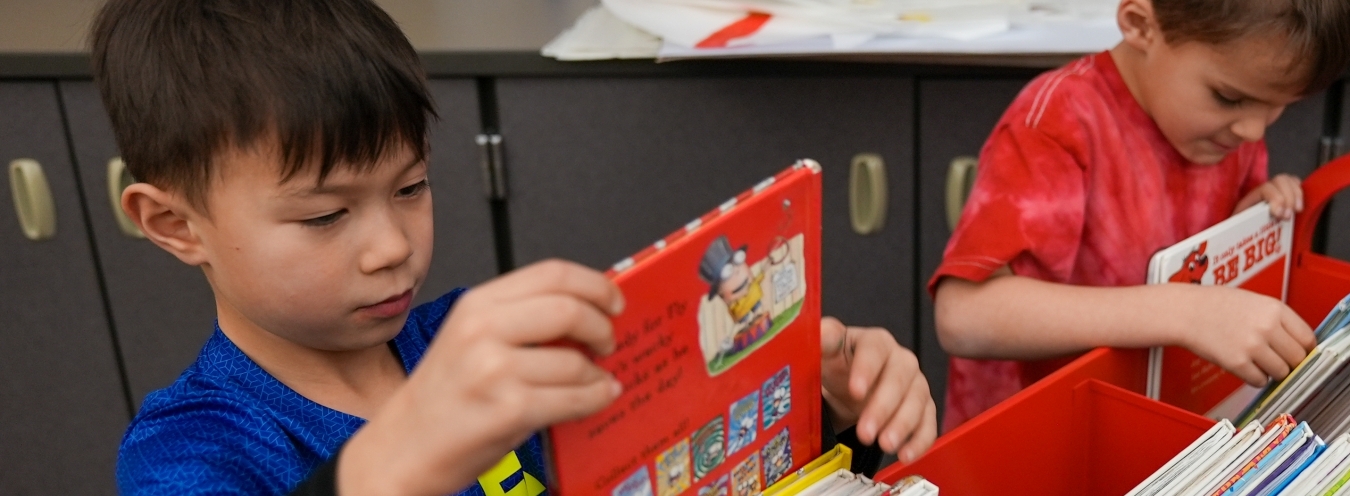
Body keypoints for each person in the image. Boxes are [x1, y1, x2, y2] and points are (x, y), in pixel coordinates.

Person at [94, 1, 935, 494]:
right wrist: (395, 457)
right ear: (174, 225)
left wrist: (823, 403)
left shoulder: (476, 341)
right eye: (324, 217)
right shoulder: (193, 447)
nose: (391, 246)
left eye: (411, 188)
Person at [930, 0, 1350, 428]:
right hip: (1035, 439)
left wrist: (1244, 223)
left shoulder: (1226, 128)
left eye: (1278, 105)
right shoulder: (1058, 123)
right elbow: (963, 315)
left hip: (1151, 427)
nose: (1254, 130)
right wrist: (1186, 313)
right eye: (1228, 97)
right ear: (1140, 26)